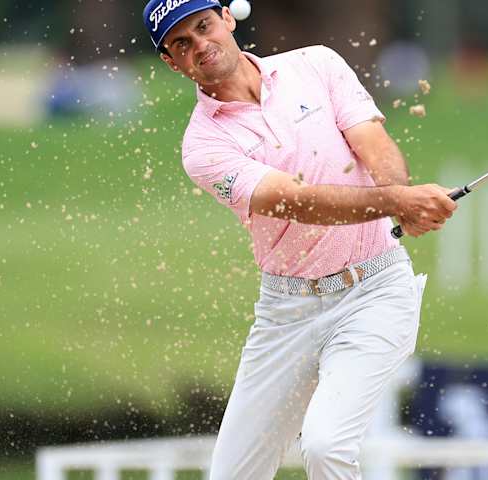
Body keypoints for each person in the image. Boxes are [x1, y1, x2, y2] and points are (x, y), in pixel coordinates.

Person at [142, 1, 458, 478]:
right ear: (172, 62)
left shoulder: (316, 63)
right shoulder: (203, 146)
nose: (200, 45)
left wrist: (401, 199)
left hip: (374, 290)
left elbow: (373, 145)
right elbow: (297, 201)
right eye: (182, 43)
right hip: (285, 314)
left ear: (226, 18)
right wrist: (398, 202)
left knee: (326, 445)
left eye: (204, 26)